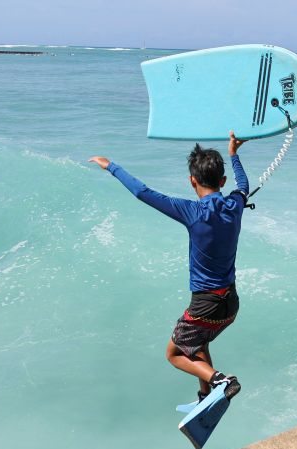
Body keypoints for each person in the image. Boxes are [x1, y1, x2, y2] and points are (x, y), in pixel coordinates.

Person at [90, 131, 249, 403]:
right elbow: (243, 185)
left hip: (205, 306)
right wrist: (233, 155)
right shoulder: (235, 204)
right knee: (198, 343)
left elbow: (143, 192)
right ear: (222, 181)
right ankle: (204, 393)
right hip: (230, 305)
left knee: (174, 354)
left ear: (192, 181)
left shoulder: (192, 211)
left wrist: (111, 166)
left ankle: (222, 381)